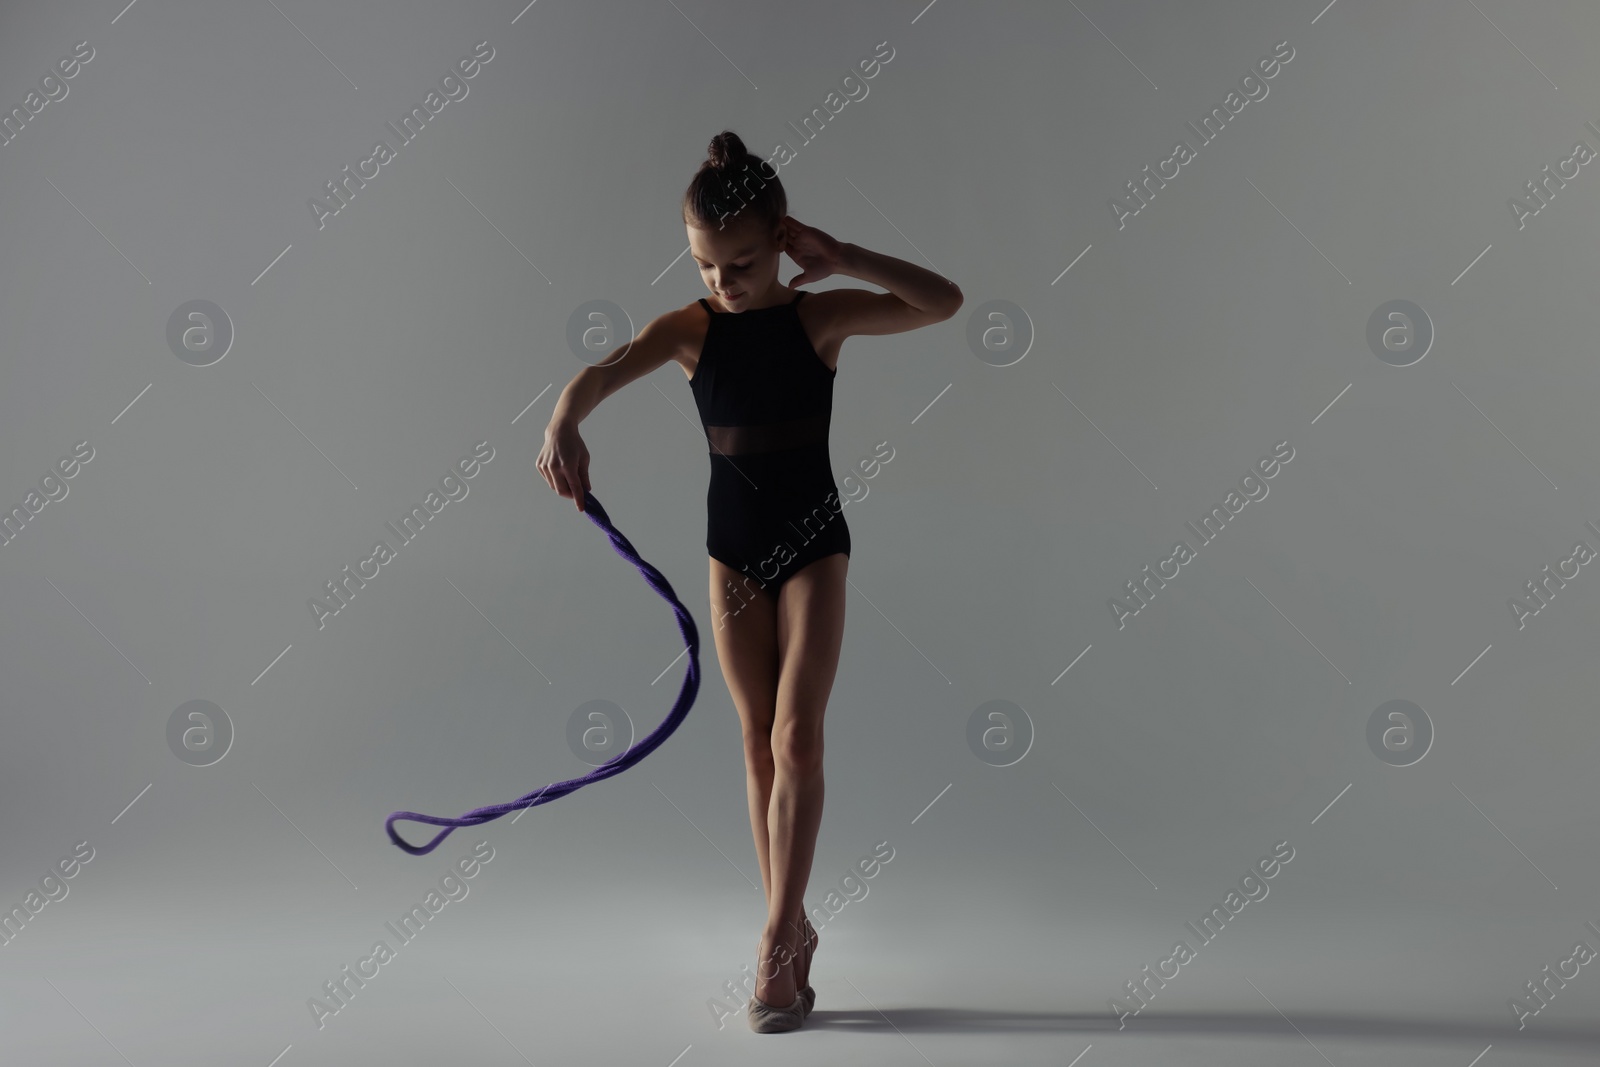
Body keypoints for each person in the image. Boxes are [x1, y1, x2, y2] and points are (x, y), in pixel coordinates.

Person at [536, 130, 962, 1033]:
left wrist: (843, 255)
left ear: (780, 241)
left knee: (799, 736)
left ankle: (774, 939)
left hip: (815, 543)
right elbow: (602, 372)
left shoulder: (820, 318)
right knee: (757, 744)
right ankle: (793, 928)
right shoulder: (691, 329)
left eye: (740, 262)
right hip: (732, 551)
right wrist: (564, 418)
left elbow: (943, 302)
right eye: (704, 264)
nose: (722, 282)